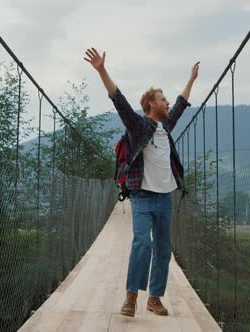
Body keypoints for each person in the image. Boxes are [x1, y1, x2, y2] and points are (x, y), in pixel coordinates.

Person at [84, 47, 199, 317]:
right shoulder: (139, 126)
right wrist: (102, 70)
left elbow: (182, 103)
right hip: (143, 197)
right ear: (150, 105)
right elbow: (119, 101)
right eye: (163, 99)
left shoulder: (165, 128)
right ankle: (132, 295)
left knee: (163, 248)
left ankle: (154, 298)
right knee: (142, 243)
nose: (168, 102)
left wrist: (192, 79)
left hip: (165, 197)